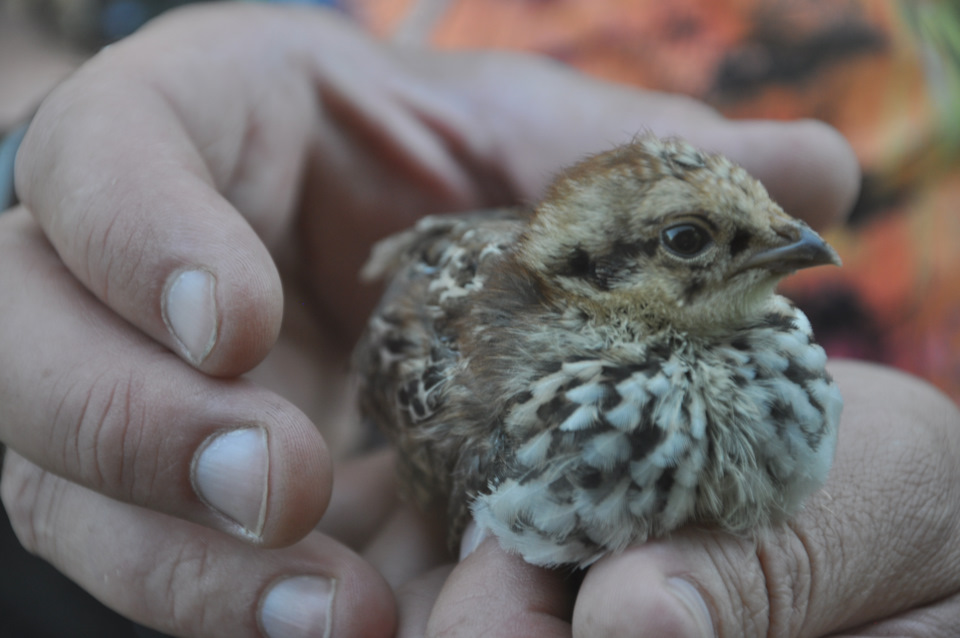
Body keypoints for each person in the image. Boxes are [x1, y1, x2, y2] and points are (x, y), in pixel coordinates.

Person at [2, 3, 959, 637]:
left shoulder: (776, 353)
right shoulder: (522, 384)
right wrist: (29, 138)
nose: (790, 246)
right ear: (599, 272)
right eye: (685, 243)